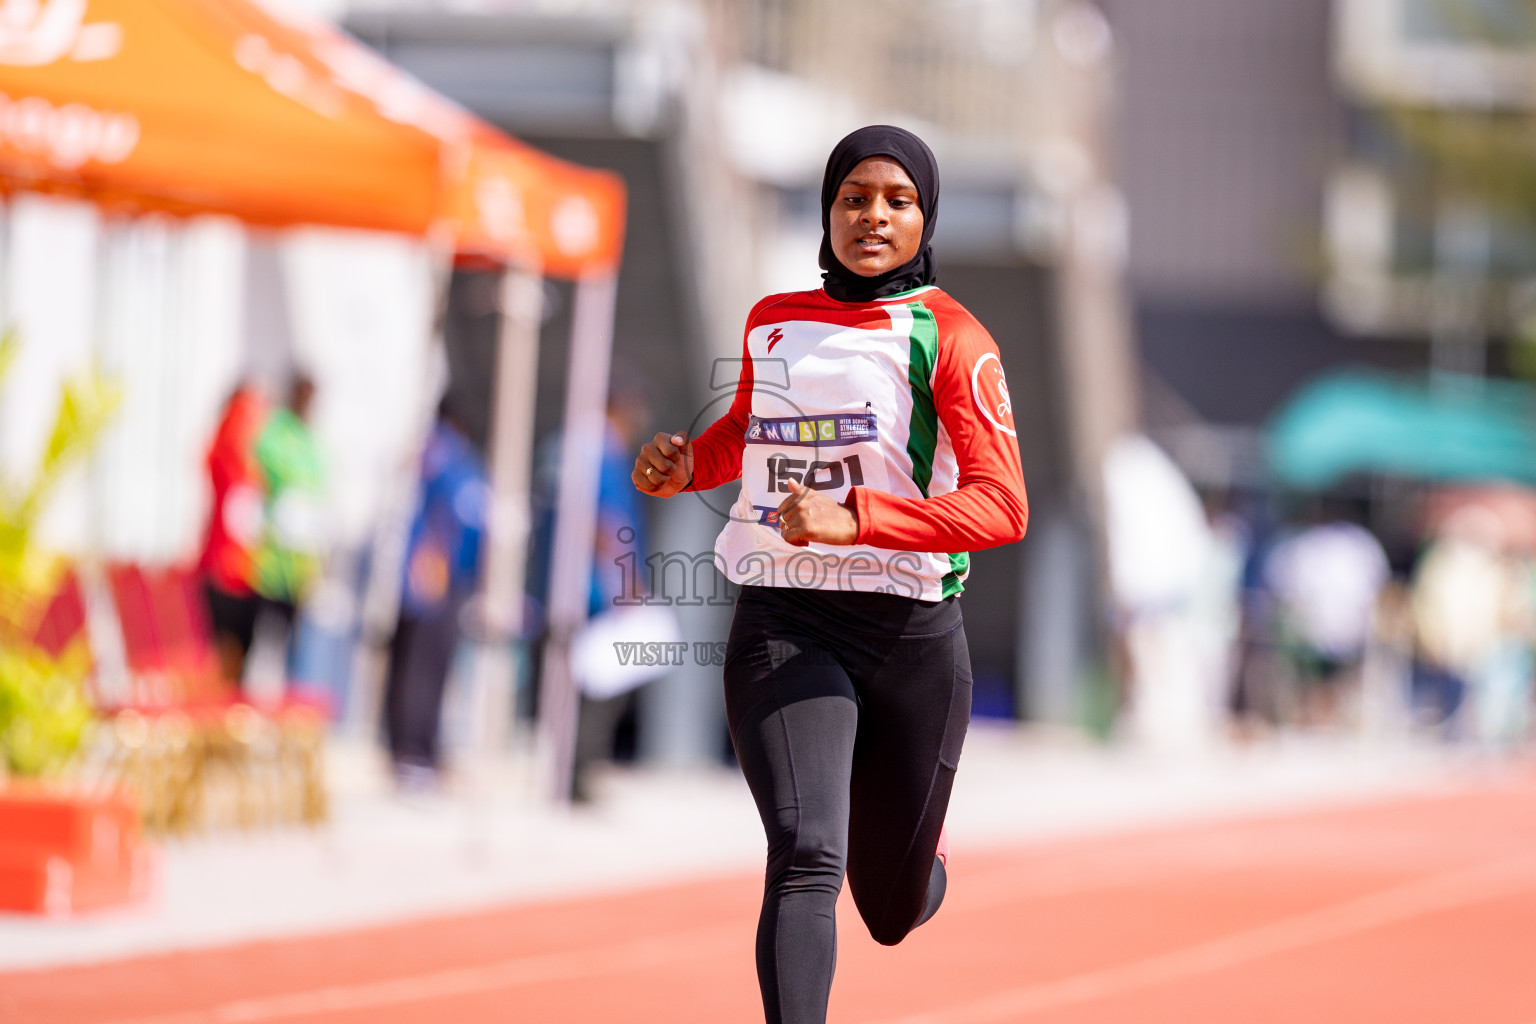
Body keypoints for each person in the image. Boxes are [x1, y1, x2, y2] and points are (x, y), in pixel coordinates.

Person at [632, 126, 1028, 1024]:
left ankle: (920, 864)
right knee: (808, 851)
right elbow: (746, 435)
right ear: (827, 211)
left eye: (897, 200)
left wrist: (861, 520)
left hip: (912, 636)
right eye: (855, 198)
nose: (873, 217)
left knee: (889, 911)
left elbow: (1004, 505)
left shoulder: (954, 337)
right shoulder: (774, 318)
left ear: (925, 218)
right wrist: (687, 463)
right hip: (786, 620)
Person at [382, 399, 487, 789]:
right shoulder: (453, 459)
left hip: (409, 576)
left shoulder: (419, 454)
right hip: (437, 577)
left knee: (408, 666)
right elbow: (468, 518)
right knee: (427, 671)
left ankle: (404, 749)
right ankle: (416, 752)